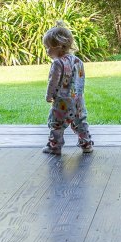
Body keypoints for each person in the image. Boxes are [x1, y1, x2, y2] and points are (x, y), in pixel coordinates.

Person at [42, 21, 93, 155]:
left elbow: (53, 82)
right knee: (80, 122)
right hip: (78, 100)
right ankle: (87, 144)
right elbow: (80, 80)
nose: (47, 51)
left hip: (63, 101)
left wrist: (49, 95)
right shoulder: (78, 61)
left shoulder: (58, 63)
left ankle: (55, 147)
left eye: (48, 47)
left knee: (57, 124)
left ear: (59, 46)